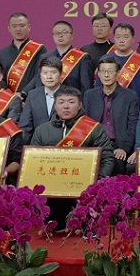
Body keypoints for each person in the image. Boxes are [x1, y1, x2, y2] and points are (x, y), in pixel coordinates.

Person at [31, 86, 116, 229]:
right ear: (55, 104)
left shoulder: (93, 129)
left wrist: (97, 181)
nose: (66, 106)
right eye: (61, 102)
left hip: (84, 191)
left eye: (71, 102)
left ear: (80, 104)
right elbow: (33, 161)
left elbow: (107, 157)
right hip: (52, 191)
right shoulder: (42, 130)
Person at [83, 56, 140, 176]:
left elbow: (133, 125)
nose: (106, 75)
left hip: (117, 145)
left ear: (118, 73)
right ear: (98, 74)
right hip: (95, 144)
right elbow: (84, 123)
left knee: (118, 163)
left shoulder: (130, 96)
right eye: (103, 71)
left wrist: (124, 148)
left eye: (110, 71)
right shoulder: (89, 96)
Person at [0, 12, 47, 94]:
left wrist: (24, 93)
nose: (18, 29)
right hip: (9, 98)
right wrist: (9, 94)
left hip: (32, 95)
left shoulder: (40, 49)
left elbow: (40, 74)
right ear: (9, 28)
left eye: (22, 26)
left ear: (29, 27)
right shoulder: (2, 53)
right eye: (14, 26)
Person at [103, 23, 140, 104]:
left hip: (133, 106)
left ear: (133, 39)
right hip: (109, 105)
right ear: (114, 38)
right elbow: (99, 88)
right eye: (118, 37)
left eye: (125, 37)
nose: (121, 40)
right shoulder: (105, 59)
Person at [18, 56, 62, 143]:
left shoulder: (69, 94)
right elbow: (25, 126)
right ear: (40, 75)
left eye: (53, 72)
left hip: (62, 146)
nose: (49, 77)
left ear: (61, 74)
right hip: (37, 145)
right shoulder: (32, 95)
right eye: (45, 73)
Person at [46, 20, 93, 93]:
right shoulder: (45, 57)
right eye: (57, 33)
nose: (60, 35)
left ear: (72, 35)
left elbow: (86, 86)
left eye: (64, 32)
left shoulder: (82, 58)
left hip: (72, 98)